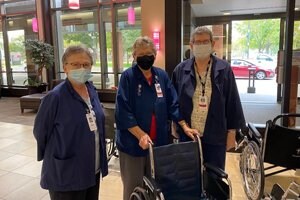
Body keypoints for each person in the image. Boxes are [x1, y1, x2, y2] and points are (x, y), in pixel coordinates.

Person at [115, 36, 198, 200]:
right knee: (134, 188)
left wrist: (184, 126)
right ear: (134, 56)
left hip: (158, 142)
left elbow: (172, 104)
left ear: (154, 54)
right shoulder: (128, 77)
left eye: (149, 53)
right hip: (133, 144)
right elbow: (123, 111)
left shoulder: (161, 76)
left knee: (157, 186)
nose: (146, 57)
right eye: (141, 54)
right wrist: (141, 135)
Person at [33, 45, 108, 200]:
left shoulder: (92, 90)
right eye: (75, 64)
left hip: (92, 169)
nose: (81, 68)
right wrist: (54, 153)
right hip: (66, 173)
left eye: (86, 64)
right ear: (65, 67)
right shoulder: (55, 97)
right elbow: (40, 131)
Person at [172, 26, 246, 170]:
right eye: (197, 42)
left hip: (215, 133)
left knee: (214, 176)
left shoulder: (224, 69)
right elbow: (173, 101)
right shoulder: (180, 70)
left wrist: (232, 132)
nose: (201, 45)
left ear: (212, 44)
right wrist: (175, 125)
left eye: (205, 41)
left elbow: (232, 101)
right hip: (189, 134)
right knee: (189, 174)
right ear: (191, 45)